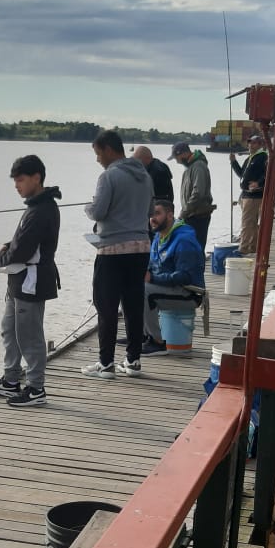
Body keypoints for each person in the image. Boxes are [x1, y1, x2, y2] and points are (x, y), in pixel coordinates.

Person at [0, 154, 61, 408]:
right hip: (18, 280)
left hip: (31, 282)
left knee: (29, 335)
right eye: (15, 180)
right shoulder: (35, 206)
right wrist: (8, 245)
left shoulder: (42, 210)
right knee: (9, 329)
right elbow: (22, 242)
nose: (17, 185)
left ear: (36, 178)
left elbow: (22, 252)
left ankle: (36, 388)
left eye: (21, 180)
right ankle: (11, 380)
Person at [81, 129, 153, 379]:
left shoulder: (108, 176)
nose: (97, 159)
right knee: (133, 305)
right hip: (141, 248)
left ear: (109, 150)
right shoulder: (145, 176)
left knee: (106, 306)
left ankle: (106, 364)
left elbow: (98, 211)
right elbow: (150, 210)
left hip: (112, 251)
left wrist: (88, 207)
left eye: (98, 153)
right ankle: (133, 361)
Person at [141, 198, 206, 354]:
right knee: (128, 284)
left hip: (189, 293)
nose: (152, 219)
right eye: (150, 215)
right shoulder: (159, 236)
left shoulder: (184, 240)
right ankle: (141, 335)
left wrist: (153, 278)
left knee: (143, 291)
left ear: (170, 215)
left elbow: (184, 277)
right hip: (169, 288)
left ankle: (157, 342)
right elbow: (153, 265)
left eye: (157, 214)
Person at [168, 141, 214, 249]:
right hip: (190, 215)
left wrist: (184, 212)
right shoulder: (189, 167)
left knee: (196, 248)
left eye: (176, 158)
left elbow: (198, 193)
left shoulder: (198, 166)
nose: (177, 161)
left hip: (198, 216)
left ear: (183, 153)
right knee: (190, 247)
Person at [232, 134, 268, 256]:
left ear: (260, 145)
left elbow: (267, 173)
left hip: (253, 196)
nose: (250, 145)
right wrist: (233, 162)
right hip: (245, 195)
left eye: (254, 143)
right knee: (251, 223)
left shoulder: (262, 157)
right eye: (249, 142)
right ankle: (253, 246)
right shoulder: (250, 158)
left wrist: (259, 183)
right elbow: (242, 174)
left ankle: (243, 248)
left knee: (246, 223)